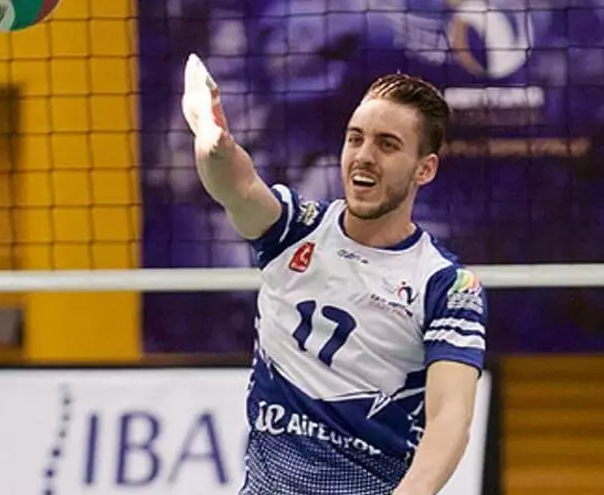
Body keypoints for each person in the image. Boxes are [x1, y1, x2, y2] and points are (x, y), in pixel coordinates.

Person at [183, 54, 487, 494]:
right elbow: (238, 186)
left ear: (425, 169)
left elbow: (449, 418)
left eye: (387, 145)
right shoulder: (295, 230)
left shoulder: (446, 286)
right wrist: (212, 140)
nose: (363, 156)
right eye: (355, 138)